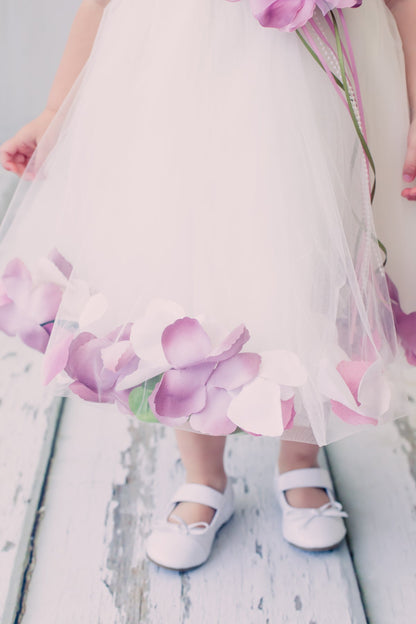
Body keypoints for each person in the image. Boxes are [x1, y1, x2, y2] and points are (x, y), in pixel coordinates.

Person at [0, 0, 415, 572]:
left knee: (317, 266)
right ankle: (203, 478)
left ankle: (301, 462)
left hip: (318, 95)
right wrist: (54, 110)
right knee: (187, 276)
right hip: (183, 88)